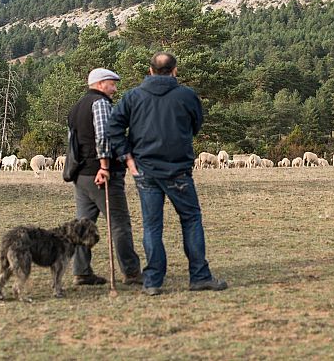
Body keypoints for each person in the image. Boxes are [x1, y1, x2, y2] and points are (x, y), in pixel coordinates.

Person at [108, 52, 227, 296]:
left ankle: (152, 281)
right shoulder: (186, 95)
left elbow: (113, 127)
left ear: (150, 71)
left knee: (152, 226)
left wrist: (128, 158)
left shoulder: (133, 96)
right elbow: (196, 125)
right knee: (191, 220)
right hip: (178, 170)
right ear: (175, 70)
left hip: (144, 170)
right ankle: (199, 276)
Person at [67, 67, 142, 286]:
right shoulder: (100, 104)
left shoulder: (76, 107)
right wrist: (105, 167)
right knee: (119, 223)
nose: (115, 88)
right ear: (100, 84)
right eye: (111, 83)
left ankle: (81, 271)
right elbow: (103, 137)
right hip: (101, 175)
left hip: (81, 175)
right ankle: (132, 272)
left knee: (83, 224)